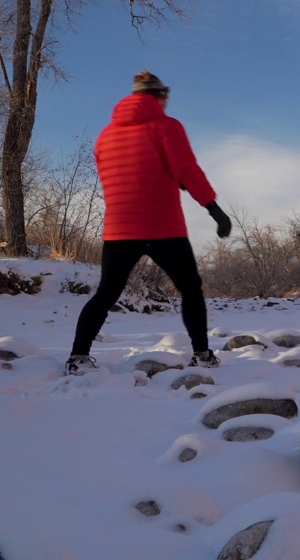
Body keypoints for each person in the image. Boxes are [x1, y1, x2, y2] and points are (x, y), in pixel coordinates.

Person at [66, 70, 232, 376]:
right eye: (165, 95)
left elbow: (119, 177)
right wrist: (214, 209)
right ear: (157, 96)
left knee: (106, 294)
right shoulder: (167, 126)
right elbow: (187, 170)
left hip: (119, 228)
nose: (167, 101)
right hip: (162, 227)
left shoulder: (105, 135)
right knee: (191, 289)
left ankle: (77, 357)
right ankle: (202, 354)